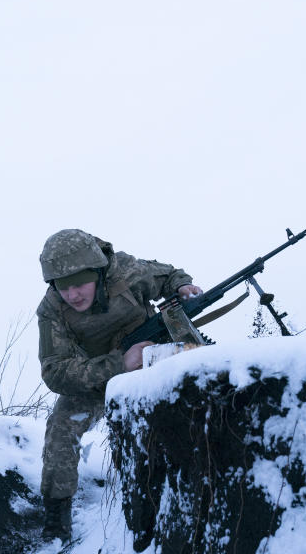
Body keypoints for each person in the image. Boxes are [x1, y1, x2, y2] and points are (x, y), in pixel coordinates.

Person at [36, 228, 202, 542]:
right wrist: (118, 364)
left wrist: (183, 286)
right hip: (96, 378)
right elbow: (55, 372)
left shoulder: (126, 271)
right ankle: (56, 522)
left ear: (98, 272)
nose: (72, 294)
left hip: (154, 360)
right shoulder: (52, 310)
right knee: (60, 428)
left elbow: (169, 275)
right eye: (62, 286)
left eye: (80, 281)